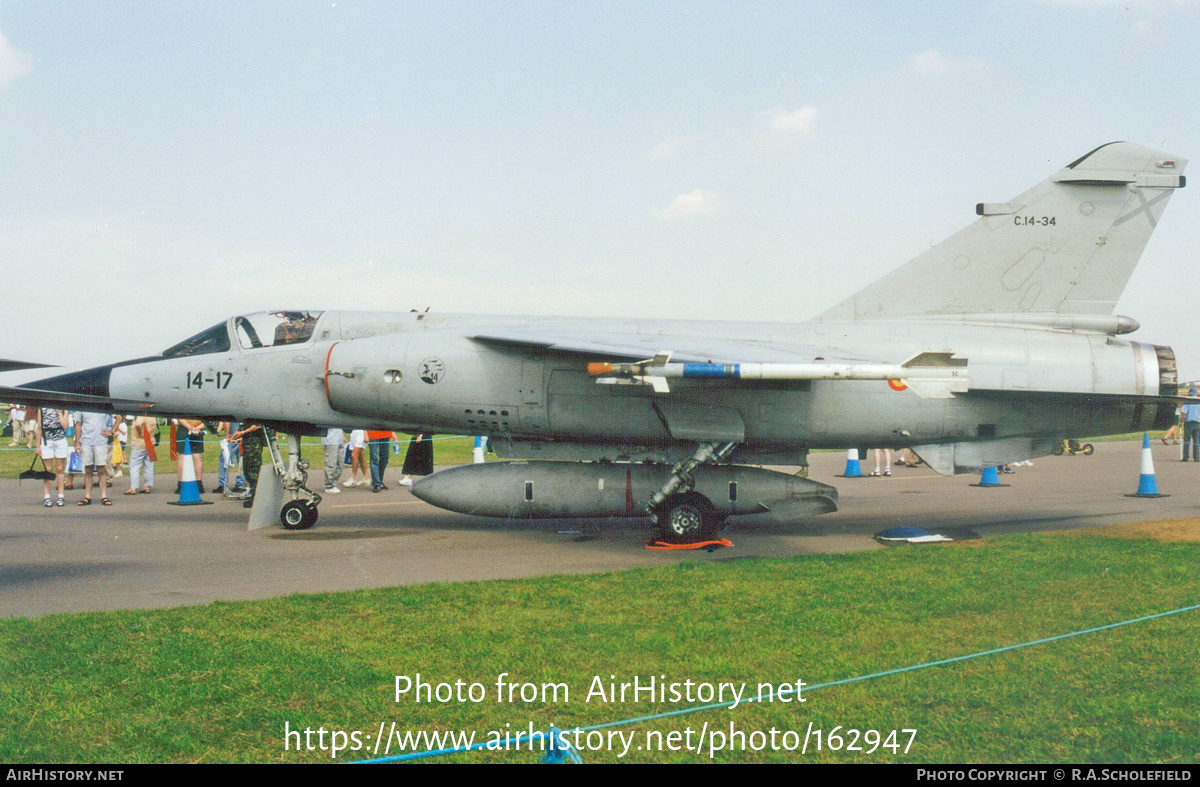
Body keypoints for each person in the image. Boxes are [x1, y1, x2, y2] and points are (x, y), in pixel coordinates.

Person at [75, 411, 114, 505]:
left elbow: (119, 416)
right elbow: (78, 424)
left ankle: (104, 496)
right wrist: (77, 442)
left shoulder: (102, 405)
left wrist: (112, 432)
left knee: (101, 469)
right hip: (86, 441)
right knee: (88, 469)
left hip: (100, 441)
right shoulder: (81, 406)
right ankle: (87, 496)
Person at [35, 406, 70, 506]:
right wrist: (37, 446)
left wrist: (59, 413)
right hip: (47, 440)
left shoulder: (64, 408)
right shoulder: (42, 409)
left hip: (60, 440)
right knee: (48, 469)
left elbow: (65, 426)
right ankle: (47, 496)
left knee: (60, 469)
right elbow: (39, 428)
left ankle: (61, 495)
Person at [230, 422, 266, 508]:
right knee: (247, 471)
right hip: (247, 443)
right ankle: (253, 495)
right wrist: (239, 432)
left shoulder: (256, 414)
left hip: (254, 443)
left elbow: (259, 424)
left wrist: (243, 432)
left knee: (253, 470)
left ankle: (255, 498)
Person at [125, 415, 156, 494]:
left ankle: (133, 487)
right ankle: (147, 486)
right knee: (149, 464)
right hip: (150, 441)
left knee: (135, 465)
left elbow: (138, 424)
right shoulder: (153, 417)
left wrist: (140, 433)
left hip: (140, 442)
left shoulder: (142, 415)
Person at [174, 419, 206, 492]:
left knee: (182, 456)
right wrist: (197, 428)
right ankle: (199, 484)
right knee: (197, 457)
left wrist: (190, 427)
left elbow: (180, 417)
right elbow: (207, 420)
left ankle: (181, 484)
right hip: (197, 427)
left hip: (185, 428)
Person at [322, 427, 345, 493]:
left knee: (340, 463)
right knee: (331, 463)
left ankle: (332, 482)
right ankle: (329, 486)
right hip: (330, 440)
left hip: (339, 439)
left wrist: (342, 436)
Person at [1181, 386, 1200, 461]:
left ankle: (1186, 457)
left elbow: (1184, 414)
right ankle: (1197, 457)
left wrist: (1181, 422)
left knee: (1187, 440)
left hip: (1189, 423)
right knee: (1196, 440)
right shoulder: (1198, 401)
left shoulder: (1188, 402)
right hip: (1197, 423)